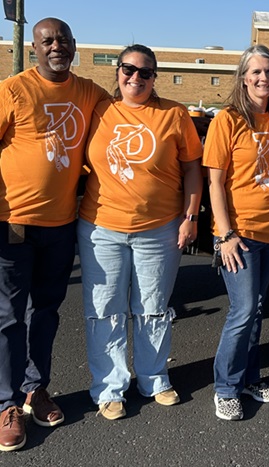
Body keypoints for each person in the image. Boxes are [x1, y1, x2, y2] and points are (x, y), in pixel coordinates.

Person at [0, 18, 110, 451]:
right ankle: (6, 404)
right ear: (34, 48)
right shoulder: (13, 90)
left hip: (62, 225)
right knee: (9, 317)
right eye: (47, 41)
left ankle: (35, 389)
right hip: (13, 224)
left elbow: (127, 111)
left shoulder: (87, 91)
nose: (56, 46)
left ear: (74, 45)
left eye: (63, 40)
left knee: (46, 312)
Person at [77, 44, 203, 420]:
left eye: (144, 72)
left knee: (152, 308)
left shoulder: (174, 115)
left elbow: (193, 170)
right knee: (104, 311)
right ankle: (110, 387)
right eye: (128, 69)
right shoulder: (98, 110)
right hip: (101, 228)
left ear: (155, 77)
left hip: (159, 229)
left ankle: (154, 377)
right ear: (117, 72)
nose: (135, 77)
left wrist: (191, 216)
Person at [203, 45, 269, 421]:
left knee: (255, 310)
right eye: (256, 72)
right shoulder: (228, 119)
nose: (263, 78)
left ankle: (249, 377)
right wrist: (225, 235)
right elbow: (215, 183)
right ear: (243, 77)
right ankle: (225, 387)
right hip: (239, 233)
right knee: (242, 311)